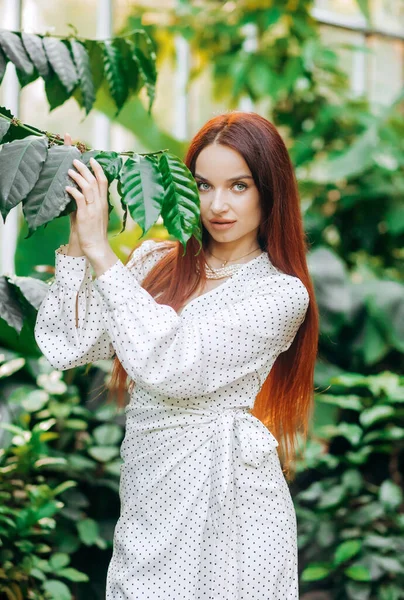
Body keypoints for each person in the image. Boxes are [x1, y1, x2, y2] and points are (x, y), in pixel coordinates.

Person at [34, 111, 319, 599]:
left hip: (229, 496)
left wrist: (104, 253)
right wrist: (80, 234)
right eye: (204, 185)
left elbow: (173, 365)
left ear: (270, 191)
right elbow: (69, 342)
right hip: (149, 485)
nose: (218, 205)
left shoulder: (279, 294)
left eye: (239, 186)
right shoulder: (155, 263)